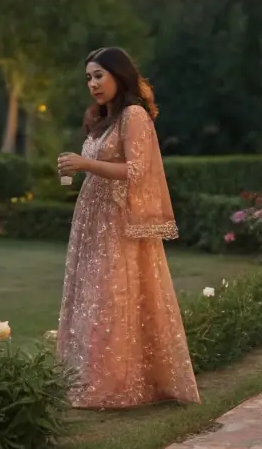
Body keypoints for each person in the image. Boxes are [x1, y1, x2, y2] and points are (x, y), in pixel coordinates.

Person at [54, 47, 200, 409]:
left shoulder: (134, 115)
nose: (93, 84)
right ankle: (87, 378)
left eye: (99, 75)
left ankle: (119, 384)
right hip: (93, 221)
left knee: (111, 295)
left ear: (119, 74)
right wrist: (77, 168)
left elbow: (138, 170)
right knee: (91, 298)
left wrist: (86, 163)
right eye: (88, 77)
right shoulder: (103, 119)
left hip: (118, 221)